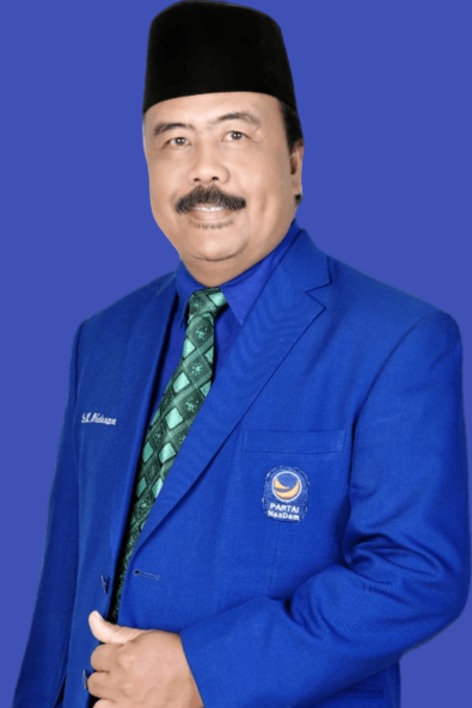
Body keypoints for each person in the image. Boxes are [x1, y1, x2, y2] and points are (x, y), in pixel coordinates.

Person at [14, 1, 469, 706]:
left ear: (294, 163)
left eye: (235, 134)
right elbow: (64, 581)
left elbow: (414, 574)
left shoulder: (398, 340)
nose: (205, 171)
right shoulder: (101, 338)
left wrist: (203, 670)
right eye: (175, 140)